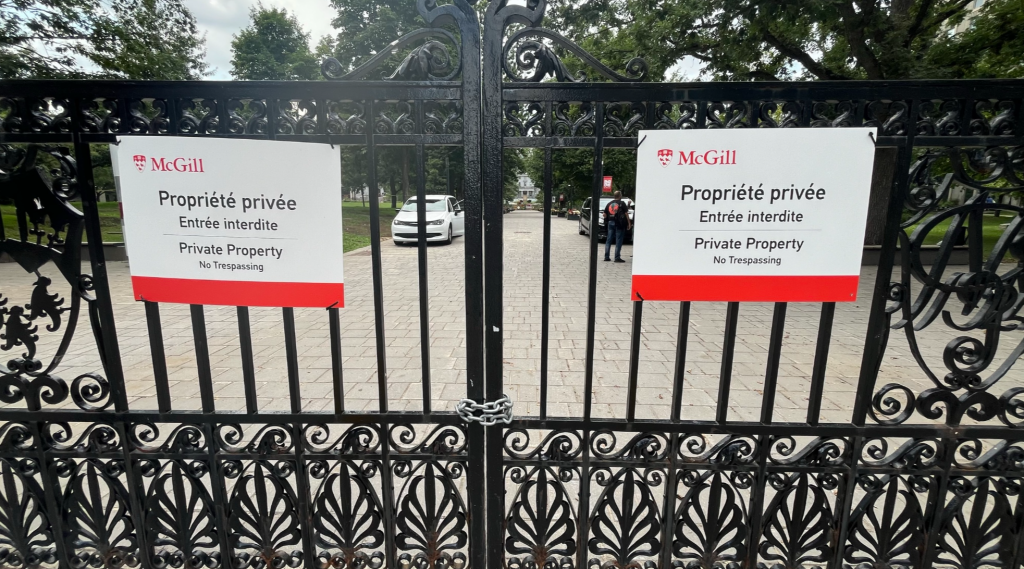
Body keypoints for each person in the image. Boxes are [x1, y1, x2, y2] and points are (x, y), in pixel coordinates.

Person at [603, 191, 631, 262]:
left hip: (610, 222)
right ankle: (617, 257)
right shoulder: (622, 203)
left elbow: (604, 214)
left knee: (609, 240)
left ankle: (606, 256)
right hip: (619, 223)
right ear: (620, 196)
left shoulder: (609, 203)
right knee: (618, 240)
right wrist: (629, 223)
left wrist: (606, 221)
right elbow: (626, 214)